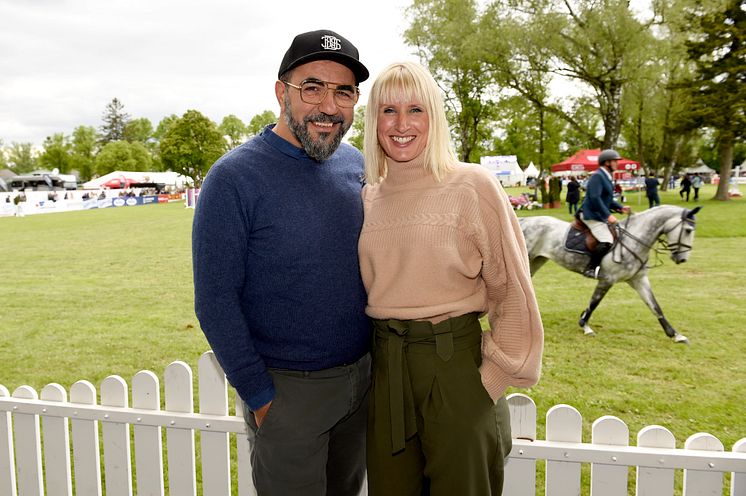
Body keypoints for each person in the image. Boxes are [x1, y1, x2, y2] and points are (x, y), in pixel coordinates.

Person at [192, 30, 372, 496]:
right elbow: (215, 300)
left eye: (344, 92)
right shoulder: (232, 178)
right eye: (312, 88)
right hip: (288, 393)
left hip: (363, 383)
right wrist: (260, 396)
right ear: (281, 92)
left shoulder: (355, 164)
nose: (329, 106)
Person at [359, 61, 544, 496]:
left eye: (415, 109)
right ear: (374, 121)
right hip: (387, 368)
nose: (401, 124)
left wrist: (491, 381)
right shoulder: (369, 195)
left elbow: (512, 290)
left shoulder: (471, 185)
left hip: (456, 369)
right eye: (388, 111)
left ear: (434, 116)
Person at [578, 149, 631, 279]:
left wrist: (620, 207)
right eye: (615, 161)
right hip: (590, 214)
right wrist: (608, 215)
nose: (617, 164)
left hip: (598, 214)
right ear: (606, 162)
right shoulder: (598, 176)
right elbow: (595, 198)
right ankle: (590, 268)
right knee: (606, 240)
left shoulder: (606, 176)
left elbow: (606, 199)